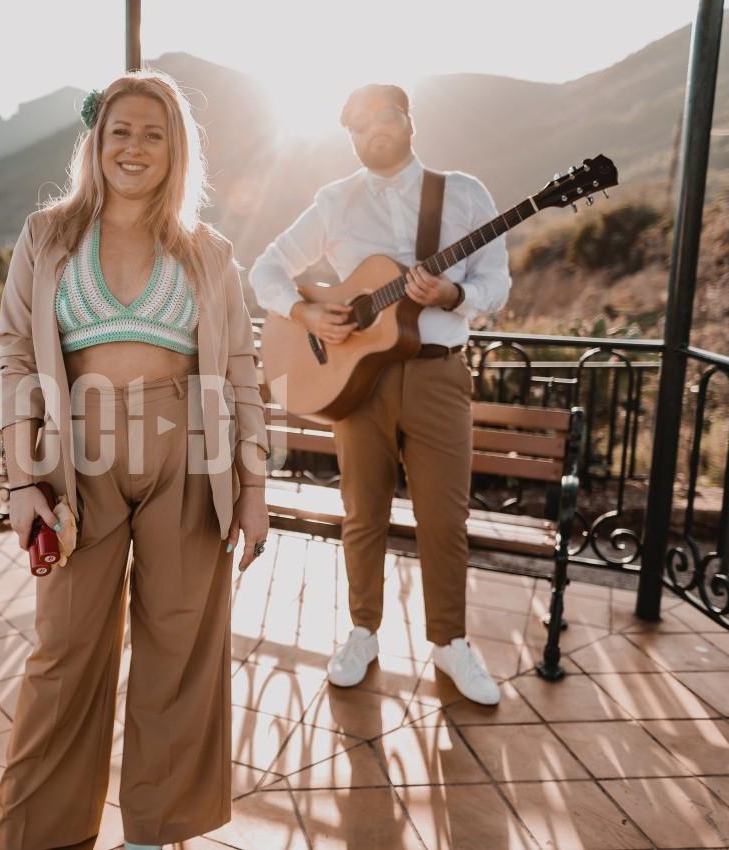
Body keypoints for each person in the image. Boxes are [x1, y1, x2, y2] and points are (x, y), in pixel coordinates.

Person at [0, 71, 270, 850]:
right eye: (121, 132)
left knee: (179, 653)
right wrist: (21, 479)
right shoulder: (46, 236)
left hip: (190, 453)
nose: (135, 147)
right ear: (96, 142)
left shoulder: (208, 251)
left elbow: (243, 368)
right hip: (76, 459)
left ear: (176, 148)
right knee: (64, 654)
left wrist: (253, 487)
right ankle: (41, 835)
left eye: (154, 133)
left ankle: (155, 831)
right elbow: (15, 354)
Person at [249, 84, 511, 706]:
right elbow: (265, 270)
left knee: (444, 519)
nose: (373, 131)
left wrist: (452, 296)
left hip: (438, 373)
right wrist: (307, 315)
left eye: (384, 118)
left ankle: (449, 642)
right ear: (351, 135)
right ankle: (362, 631)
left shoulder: (464, 194)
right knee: (362, 514)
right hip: (357, 382)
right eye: (359, 125)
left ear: (407, 121)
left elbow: (495, 281)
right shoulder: (333, 202)